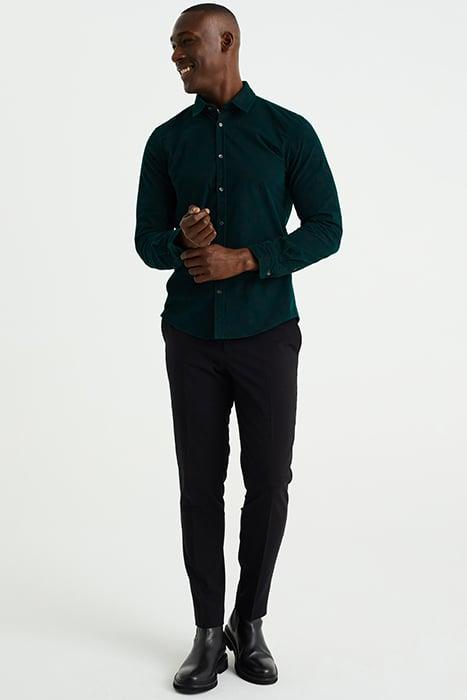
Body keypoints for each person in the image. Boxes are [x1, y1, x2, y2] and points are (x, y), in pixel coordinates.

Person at [134, 2, 342, 693]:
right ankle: (205, 632)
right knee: (199, 486)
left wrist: (246, 258)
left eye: (185, 42)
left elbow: (326, 227)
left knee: (270, 484)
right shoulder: (166, 142)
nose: (175, 55)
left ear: (227, 42)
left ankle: (247, 623)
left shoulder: (287, 132)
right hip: (191, 337)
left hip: (267, 336)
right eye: (173, 45)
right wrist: (181, 242)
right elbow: (146, 242)